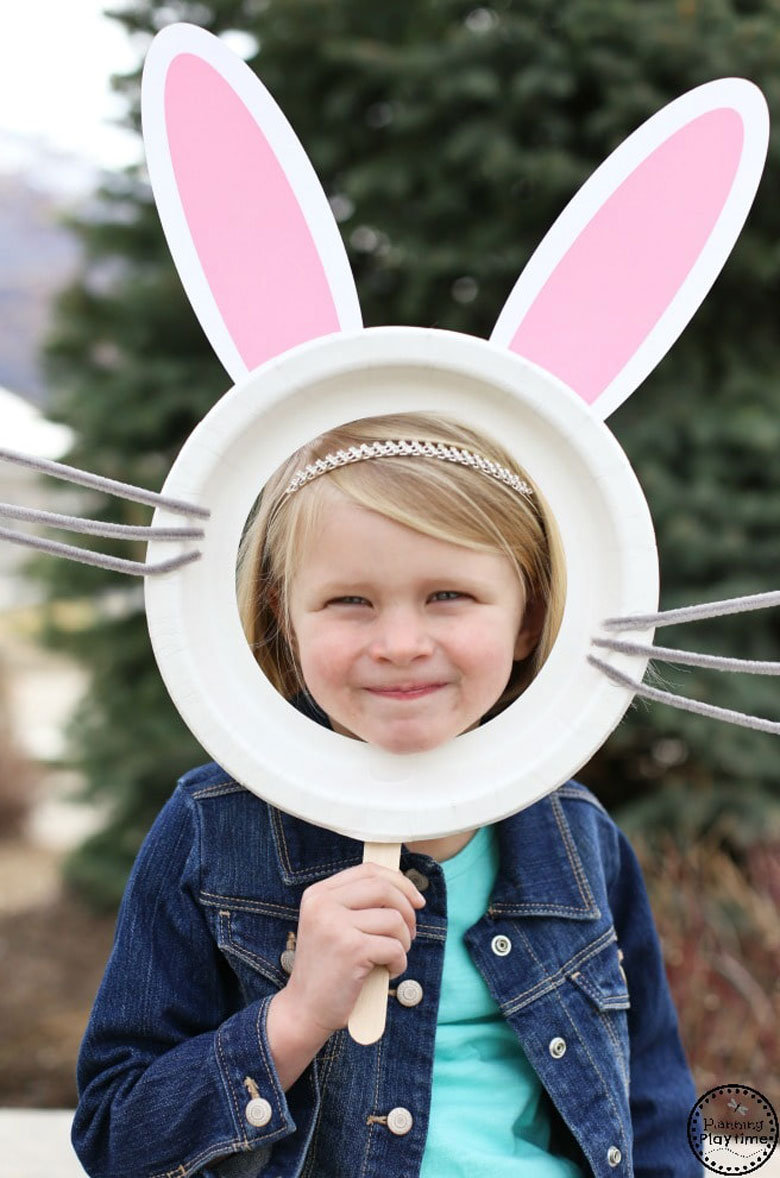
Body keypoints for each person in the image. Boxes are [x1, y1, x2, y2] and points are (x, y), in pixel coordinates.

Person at [72, 411, 697, 1178]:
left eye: (447, 594)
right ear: (283, 617)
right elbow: (117, 1137)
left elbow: (656, 1104)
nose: (400, 643)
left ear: (529, 618)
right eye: (349, 602)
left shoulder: (580, 839)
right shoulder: (213, 829)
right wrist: (294, 1017)